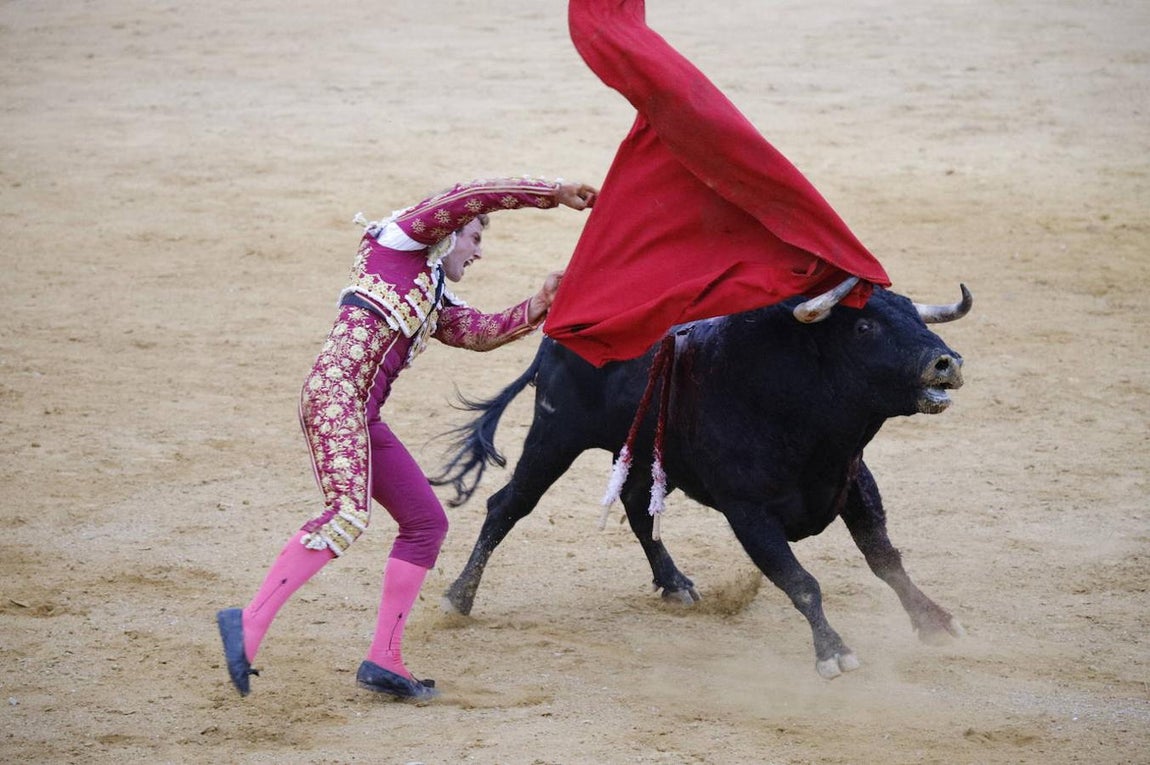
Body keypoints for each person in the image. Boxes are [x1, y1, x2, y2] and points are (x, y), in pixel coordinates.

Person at [217, 177, 598, 701]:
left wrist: (541, 301)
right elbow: (471, 198)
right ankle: (249, 621)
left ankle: (385, 659)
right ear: (450, 233)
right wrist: (550, 193)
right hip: (335, 398)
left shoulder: (432, 291)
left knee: (425, 524)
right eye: (475, 240)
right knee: (347, 513)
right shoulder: (399, 241)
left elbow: (481, 333)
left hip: (360, 412)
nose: (479, 252)